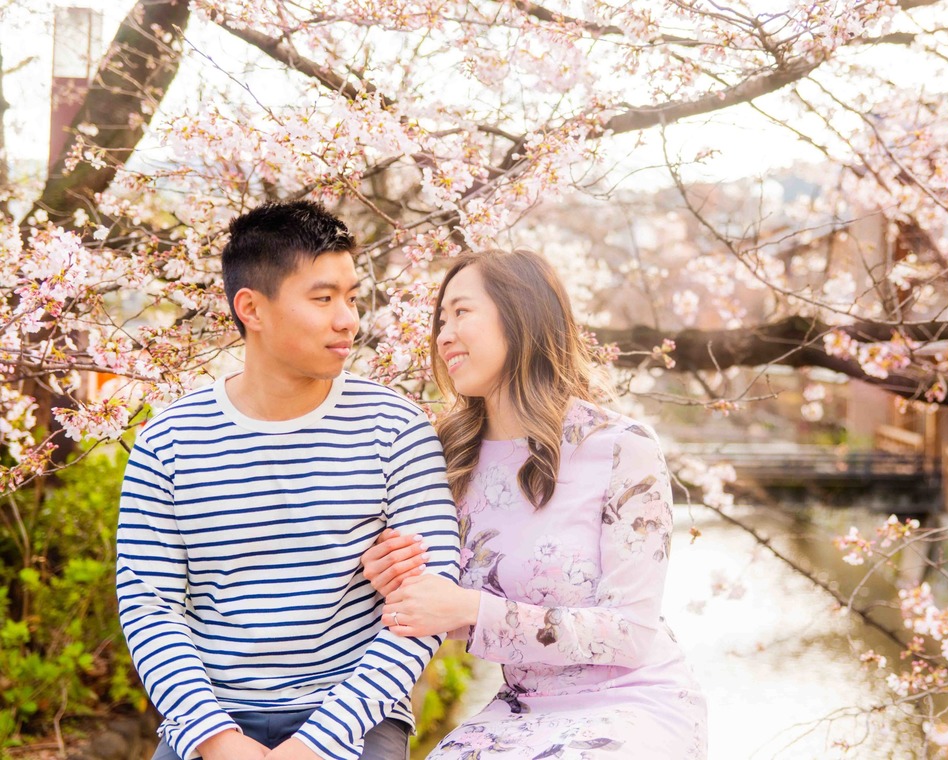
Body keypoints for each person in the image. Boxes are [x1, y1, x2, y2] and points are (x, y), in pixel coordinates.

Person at [115, 201, 460, 760]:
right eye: (323, 299)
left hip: (356, 717)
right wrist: (218, 739)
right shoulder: (168, 442)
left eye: (350, 297)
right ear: (250, 307)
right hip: (211, 720)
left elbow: (429, 595)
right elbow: (147, 604)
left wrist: (316, 743)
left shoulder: (395, 427)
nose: (348, 319)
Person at [362, 248, 708, 758]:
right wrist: (391, 573)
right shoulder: (448, 459)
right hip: (521, 706)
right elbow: (444, 604)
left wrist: (472, 610)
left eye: (461, 312)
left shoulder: (620, 447)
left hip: (630, 703)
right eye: (440, 319)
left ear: (520, 314)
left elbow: (631, 633)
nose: (443, 335)